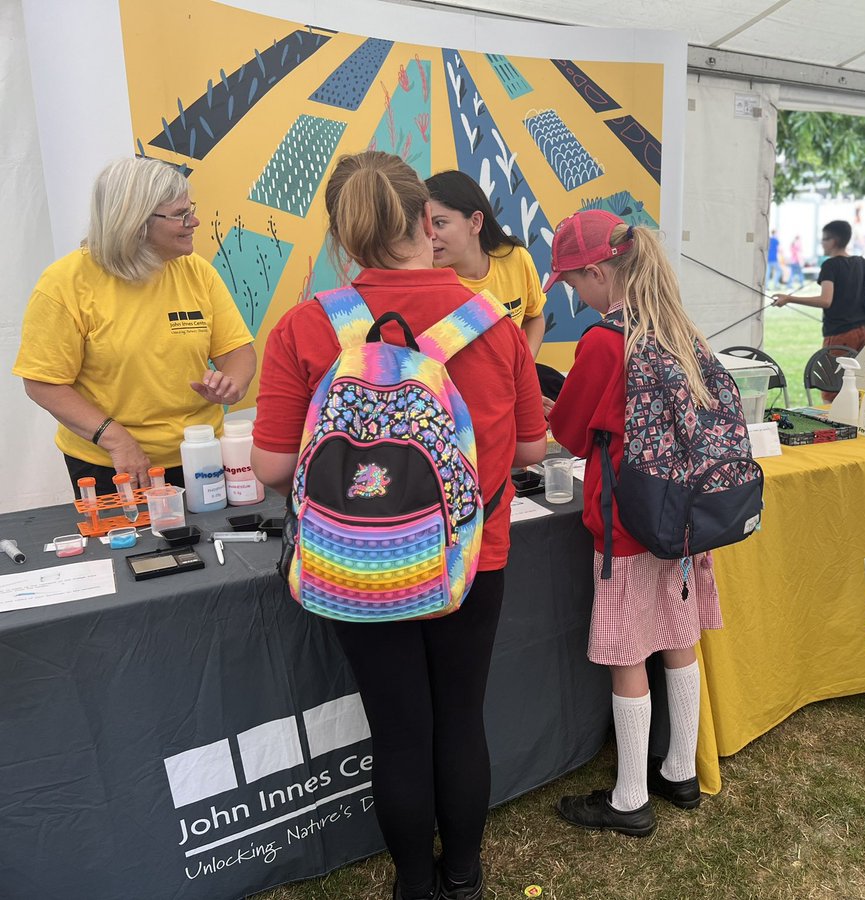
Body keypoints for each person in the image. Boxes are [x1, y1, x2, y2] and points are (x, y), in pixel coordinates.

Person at [251, 151, 545, 900]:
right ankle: (464, 877)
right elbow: (534, 448)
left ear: (343, 238)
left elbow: (274, 468)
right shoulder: (496, 325)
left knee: (400, 729)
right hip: (473, 555)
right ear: (427, 218)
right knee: (460, 717)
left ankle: (414, 884)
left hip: (357, 560)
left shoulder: (307, 328)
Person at [545, 210, 722, 837]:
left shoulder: (602, 340)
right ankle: (681, 771)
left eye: (573, 282)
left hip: (625, 525)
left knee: (627, 652)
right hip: (683, 518)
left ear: (599, 272)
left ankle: (628, 798)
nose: (573, 294)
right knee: (679, 637)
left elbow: (567, 431)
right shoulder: (679, 330)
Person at [13, 157, 256, 494]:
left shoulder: (197, 272)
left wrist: (232, 383)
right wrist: (115, 439)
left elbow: (237, 350)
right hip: (112, 463)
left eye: (191, 209)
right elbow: (43, 383)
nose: (194, 221)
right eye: (180, 215)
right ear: (135, 223)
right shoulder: (64, 284)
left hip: (202, 456)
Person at [425, 170, 547, 358]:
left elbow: (534, 317)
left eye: (439, 223)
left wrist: (525, 368)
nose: (430, 234)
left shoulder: (517, 258)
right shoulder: (427, 280)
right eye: (424, 226)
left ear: (475, 222)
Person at [771, 220, 865, 400]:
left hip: (840, 335)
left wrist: (789, 298)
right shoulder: (859, 262)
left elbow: (825, 300)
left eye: (824, 239)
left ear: (833, 241)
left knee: (832, 389)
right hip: (863, 332)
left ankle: (835, 425)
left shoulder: (830, 265)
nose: (822, 243)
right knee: (859, 384)